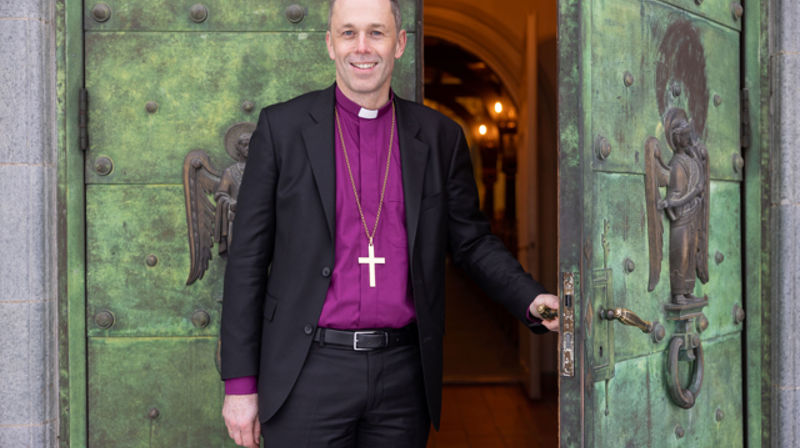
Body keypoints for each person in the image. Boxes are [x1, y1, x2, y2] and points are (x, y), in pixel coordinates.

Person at [220, 0, 560, 446]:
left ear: (399, 43)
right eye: (348, 33)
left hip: (403, 376)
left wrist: (531, 299)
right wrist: (240, 385)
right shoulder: (282, 129)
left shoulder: (440, 137)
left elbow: (472, 243)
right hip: (307, 370)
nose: (362, 47)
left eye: (376, 33)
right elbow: (247, 260)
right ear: (330, 44)